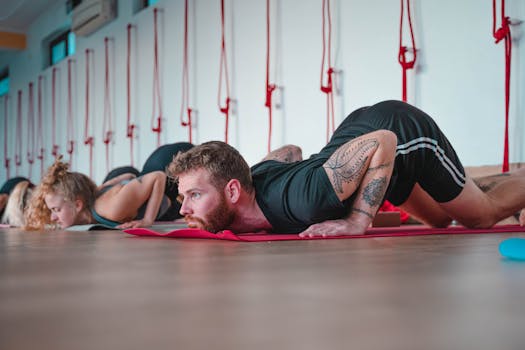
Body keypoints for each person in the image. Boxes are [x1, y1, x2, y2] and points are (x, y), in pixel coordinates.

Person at [167, 100, 525, 237]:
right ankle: (471, 185)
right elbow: (290, 151)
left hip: (401, 136)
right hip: (368, 158)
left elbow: (382, 141)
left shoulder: (304, 197)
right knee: (438, 220)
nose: (183, 209)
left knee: (480, 218)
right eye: (185, 197)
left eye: (194, 196)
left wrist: (358, 221)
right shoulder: (253, 181)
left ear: (232, 191)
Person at [25, 142, 194, 230]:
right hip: (157, 170)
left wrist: (147, 220)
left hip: (169, 161)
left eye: (56, 210)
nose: (53, 218)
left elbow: (158, 177)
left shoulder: (111, 208)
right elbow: (127, 176)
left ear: (78, 204)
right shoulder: (94, 196)